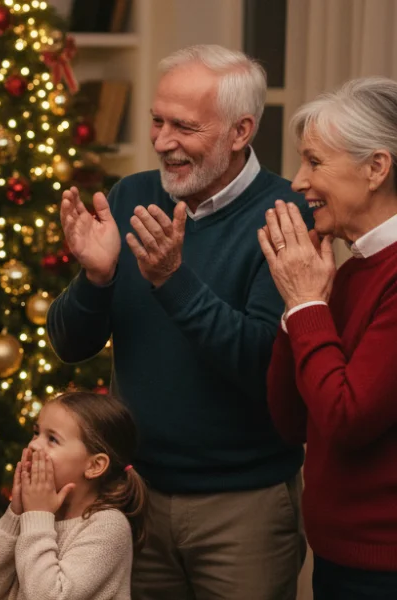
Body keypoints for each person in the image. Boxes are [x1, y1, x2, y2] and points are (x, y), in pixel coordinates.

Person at [45, 44, 309, 600]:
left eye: (184, 127)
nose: (163, 142)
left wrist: (172, 279)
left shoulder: (286, 214)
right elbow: (70, 344)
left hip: (244, 506)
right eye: (157, 121)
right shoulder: (133, 196)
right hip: (132, 497)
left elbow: (264, 365)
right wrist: (94, 280)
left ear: (240, 132)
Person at [262, 77, 397, 600]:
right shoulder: (352, 266)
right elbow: (290, 418)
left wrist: (305, 305)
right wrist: (299, 307)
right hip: (339, 559)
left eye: (314, 162)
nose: (297, 182)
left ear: (376, 168)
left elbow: (345, 419)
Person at [0, 392, 146, 600]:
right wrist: (15, 515)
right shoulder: (36, 514)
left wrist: (37, 516)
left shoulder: (109, 526)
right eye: (36, 432)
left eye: (52, 439)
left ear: (94, 466)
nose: (34, 444)